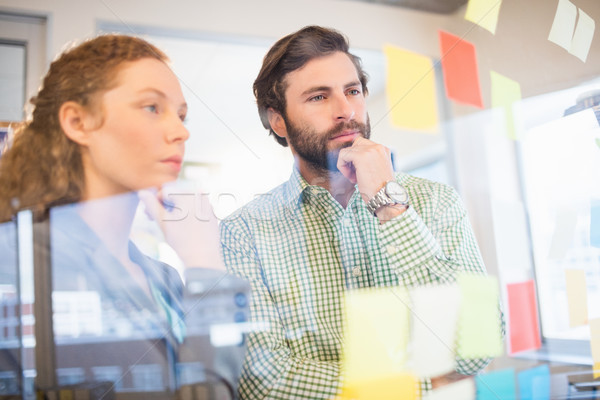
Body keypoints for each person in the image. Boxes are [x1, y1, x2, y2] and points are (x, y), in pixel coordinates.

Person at [220, 25, 494, 399]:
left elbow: (475, 348)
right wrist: (418, 386)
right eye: (319, 97)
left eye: (352, 91)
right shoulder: (243, 231)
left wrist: (391, 206)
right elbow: (264, 379)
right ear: (278, 120)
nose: (346, 111)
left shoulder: (436, 201)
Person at [0, 34, 224, 394]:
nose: (181, 131)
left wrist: (205, 266)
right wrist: (208, 269)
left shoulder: (164, 279)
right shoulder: (16, 259)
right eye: (152, 107)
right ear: (77, 121)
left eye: (182, 115)